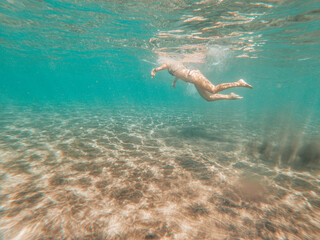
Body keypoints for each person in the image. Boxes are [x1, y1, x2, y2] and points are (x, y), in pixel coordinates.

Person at [151, 61, 252, 101]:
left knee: (213, 89)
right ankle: (229, 96)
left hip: (193, 75)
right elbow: (179, 74)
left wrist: (155, 70)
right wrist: (174, 82)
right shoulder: (175, 67)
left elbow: (166, 65)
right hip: (193, 79)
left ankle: (239, 83)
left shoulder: (170, 63)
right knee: (208, 98)